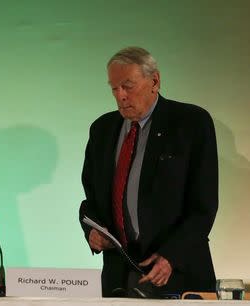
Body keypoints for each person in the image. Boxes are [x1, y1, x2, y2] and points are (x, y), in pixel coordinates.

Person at [79, 47, 218, 297]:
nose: (120, 95)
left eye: (128, 86)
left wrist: (171, 257)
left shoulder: (191, 123)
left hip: (176, 274)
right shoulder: (102, 129)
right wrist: (91, 231)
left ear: (154, 81)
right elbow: (90, 200)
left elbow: (203, 206)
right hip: (117, 278)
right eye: (113, 88)